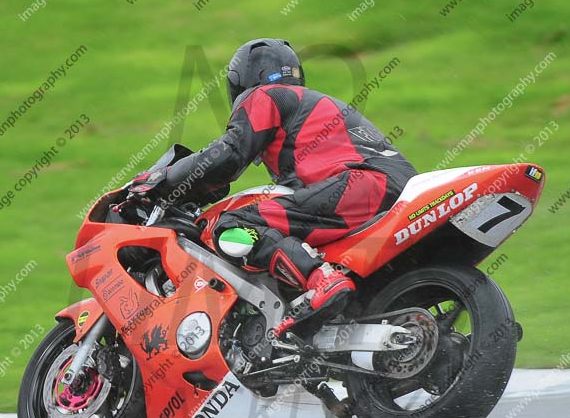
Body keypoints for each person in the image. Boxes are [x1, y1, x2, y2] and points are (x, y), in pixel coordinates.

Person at [130, 38, 417, 336]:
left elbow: (229, 155)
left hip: (362, 186)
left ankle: (321, 280)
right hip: (392, 188)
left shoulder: (265, 96)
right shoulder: (310, 105)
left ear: (242, 80)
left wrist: (163, 178)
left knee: (231, 224)